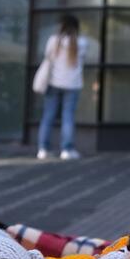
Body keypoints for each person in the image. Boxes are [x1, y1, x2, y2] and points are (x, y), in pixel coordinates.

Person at [36, 14, 90, 160]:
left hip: (53, 83)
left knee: (48, 116)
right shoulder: (82, 43)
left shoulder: (53, 41)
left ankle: (43, 148)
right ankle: (67, 149)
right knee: (68, 117)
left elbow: (47, 56)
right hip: (72, 84)